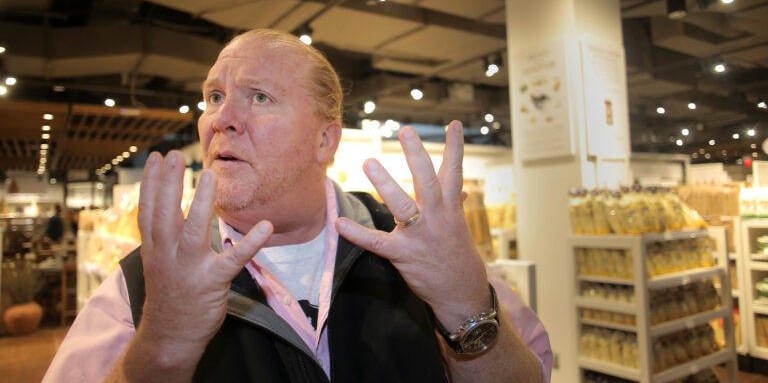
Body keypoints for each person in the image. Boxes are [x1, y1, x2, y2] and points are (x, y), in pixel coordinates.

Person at [43, 29, 552, 382]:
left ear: (325, 141)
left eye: (259, 97)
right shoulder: (144, 287)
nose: (222, 119)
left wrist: (466, 306)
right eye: (214, 96)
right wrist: (161, 344)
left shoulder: (417, 249)